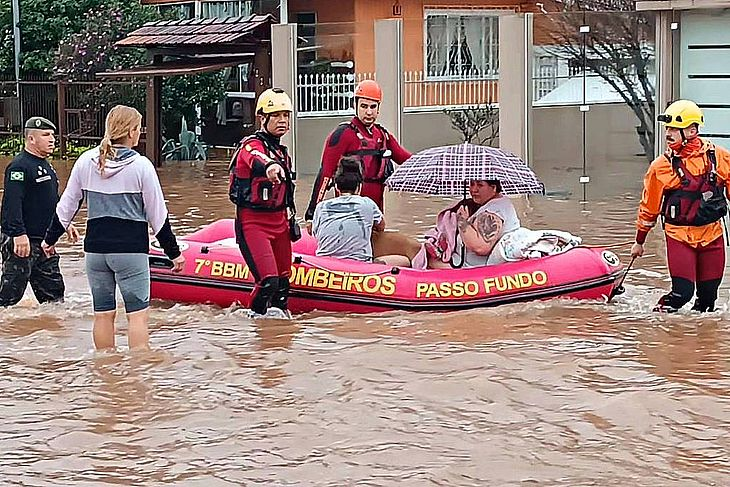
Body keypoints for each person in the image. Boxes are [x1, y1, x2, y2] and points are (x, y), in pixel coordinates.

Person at [43, 105, 185, 350]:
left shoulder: (86, 161)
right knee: (137, 316)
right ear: (131, 131)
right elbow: (158, 217)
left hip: (96, 252)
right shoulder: (141, 167)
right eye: (139, 129)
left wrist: (49, 240)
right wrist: (174, 254)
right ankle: (136, 374)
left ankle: (104, 372)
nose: (139, 134)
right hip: (130, 251)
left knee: (103, 314)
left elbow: (66, 206)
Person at [631, 99, 730, 313]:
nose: (668, 134)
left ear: (693, 130)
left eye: (675, 129)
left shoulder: (720, 158)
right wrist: (639, 242)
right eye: (668, 128)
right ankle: (658, 322)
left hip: (712, 235)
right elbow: (649, 208)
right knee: (681, 295)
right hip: (679, 236)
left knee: (708, 300)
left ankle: (696, 343)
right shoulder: (661, 167)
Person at [305, 79, 412, 228]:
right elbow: (325, 174)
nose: (369, 112)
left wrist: (435, 165)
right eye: (364, 106)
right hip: (348, 216)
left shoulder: (383, 136)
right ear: (355, 106)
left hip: (375, 215)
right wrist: (311, 214)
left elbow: (408, 161)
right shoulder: (343, 134)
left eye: (373, 107)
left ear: (378, 109)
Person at [229, 88, 297, 319]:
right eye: (276, 115)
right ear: (263, 118)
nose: (283, 121)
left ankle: (279, 340)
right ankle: (255, 325)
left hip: (280, 223)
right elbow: (257, 158)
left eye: (286, 115)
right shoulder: (251, 145)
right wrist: (270, 167)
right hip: (254, 223)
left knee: (283, 285)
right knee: (268, 282)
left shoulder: (282, 151)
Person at [0, 116, 77, 307]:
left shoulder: (46, 165)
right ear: (31, 139)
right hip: (23, 241)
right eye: (45, 135)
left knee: (54, 297)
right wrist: (18, 234)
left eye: (52, 134)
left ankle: (52, 334)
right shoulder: (19, 166)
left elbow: (50, 199)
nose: (52, 139)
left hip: (44, 241)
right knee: (9, 298)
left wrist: (65, 222)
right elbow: (12, 202)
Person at [312, 157, 411, 267]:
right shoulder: (367, 203)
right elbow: (381, 226)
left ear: (337, 188)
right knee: (404, 261)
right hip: (360, 265)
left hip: (324, 265)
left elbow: (316, 234)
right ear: (359, 187)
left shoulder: (321, 207)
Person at [429, 180, 520, 268]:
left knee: (423, 256)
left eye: (480, 185)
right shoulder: (495, 203)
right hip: (460, 260)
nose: (473, 190)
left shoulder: (494, 210)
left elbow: (480, 247)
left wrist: (462, 220)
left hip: (470, 267)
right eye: (472, 184)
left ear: (493, 188)